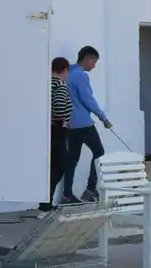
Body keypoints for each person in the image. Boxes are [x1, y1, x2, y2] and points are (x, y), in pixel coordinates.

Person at [62, 45, 112, 203]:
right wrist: (103, 117)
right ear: (87, 59)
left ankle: (67, 194)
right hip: (83, 123)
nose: (94, 65)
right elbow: (87, 99)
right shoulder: (81, 76)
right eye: (94, 61)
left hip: (69, 124)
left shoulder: (66, 73)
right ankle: (90, 189)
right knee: (99, 152)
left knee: (72, 159)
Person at [40, 57, 73, 212]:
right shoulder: (60, 85)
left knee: (50, 166)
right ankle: (46, 203)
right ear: (64, 70)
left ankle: (45, 202)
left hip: (47, 129)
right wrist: (63, 121)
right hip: (59, 130)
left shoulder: (45, 83)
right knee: (60, 165)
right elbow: (59, 105)